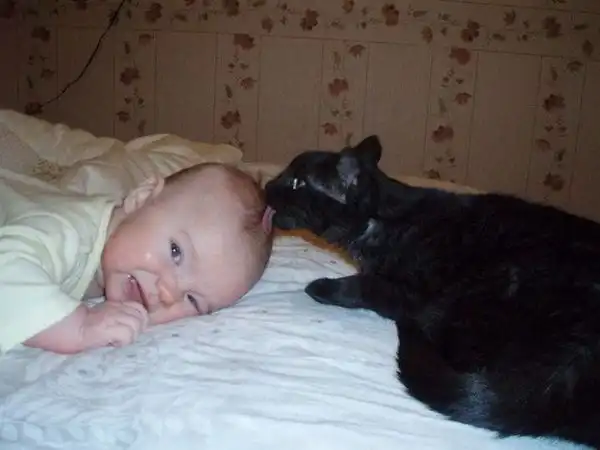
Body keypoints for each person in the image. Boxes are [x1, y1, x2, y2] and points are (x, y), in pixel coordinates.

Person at [0, 162, 274, 355]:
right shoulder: (66, 229)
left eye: (193, 300)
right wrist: (79, 327)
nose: (169, 293)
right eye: (176, 252)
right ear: (141, 198)